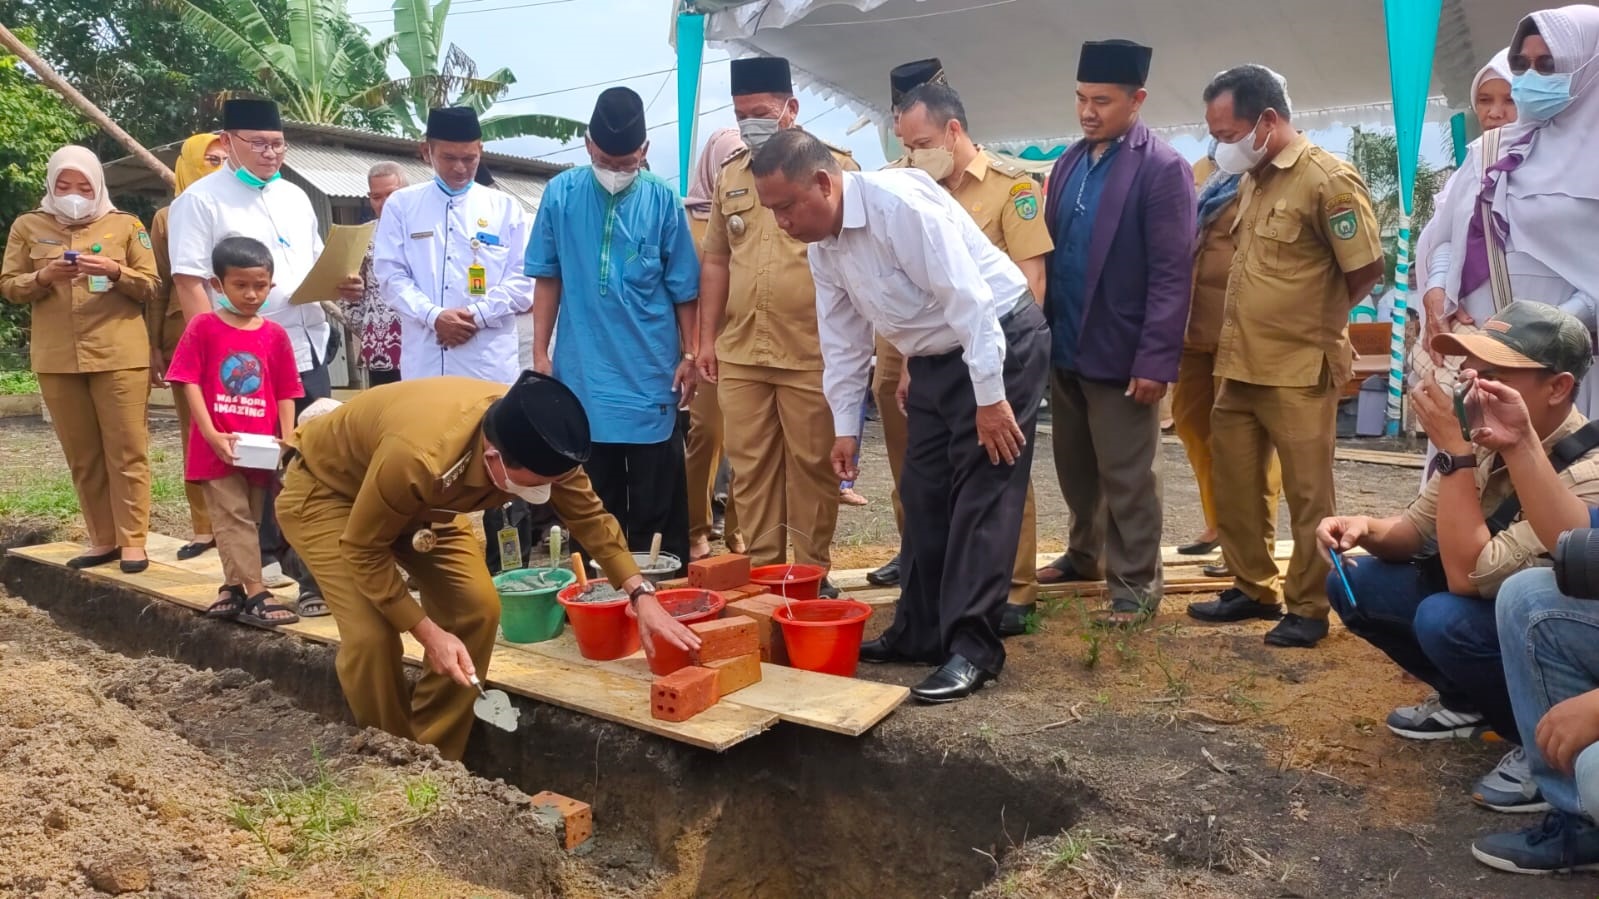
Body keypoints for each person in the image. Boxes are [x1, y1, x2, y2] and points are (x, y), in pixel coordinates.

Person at [751, 129, 1050, 703]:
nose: (781, 222)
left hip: (998, 340)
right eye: (772, 211)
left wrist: (991, 398)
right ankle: (920, 630)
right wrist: (845, 429)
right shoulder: (824, 248)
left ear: (823, 183)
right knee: (922, 491)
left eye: (786, 206)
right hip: (934, 357)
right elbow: (841, 342)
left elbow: (971, 301)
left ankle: (973, 649)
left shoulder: (900, 209)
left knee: (981, 494)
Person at [276, 370, 698, 760]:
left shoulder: (544, 443)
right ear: (493, 457)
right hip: (331, 493)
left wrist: (641, 594)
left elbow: (590, 518)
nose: (546, 492)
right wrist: (426, 631)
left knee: (477, 609)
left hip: (428, 506)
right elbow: (364, 550)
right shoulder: (424, 456)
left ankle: (434, 754)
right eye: (535, 484)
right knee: (372, 636)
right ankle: (393, 760)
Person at [1322, 302, 1599, 813]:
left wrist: (1454, 452)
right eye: (1469, 368)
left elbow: (1470, 577)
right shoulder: (1487, 433)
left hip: (1545, 628)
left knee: (1446, 617)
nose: (1470, 382)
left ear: (1558, 388)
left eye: (1492, 373)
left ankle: (1537, 740)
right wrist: (1362, 528)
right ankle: (1468, 704)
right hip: (1493, 606)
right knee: (1355, 579)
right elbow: (1412, 530)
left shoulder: (1588, 470)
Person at [1184, 65, 1384, 648]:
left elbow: (1365, 267)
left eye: (1228, 132)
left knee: (1306, 494)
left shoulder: (1328, 180)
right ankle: (1252, 586)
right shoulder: (1255, 179)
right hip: (1238, 362)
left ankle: (1309, 605)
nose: (1221, 144)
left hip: (1299, 367)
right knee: (1236, 482)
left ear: (1268, 120)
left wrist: (1316, 321)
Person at [169, 97, 362, 612]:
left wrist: (341, 283)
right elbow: (190, 282)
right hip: (242, 367)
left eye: (277, 144)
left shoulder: (297, 197)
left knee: (311, 459)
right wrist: (210, 353)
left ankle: (315, 574)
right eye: (258, 143)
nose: (270, 153)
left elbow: (314, 263)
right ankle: (259, 571)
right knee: (254, 472)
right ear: (227, 142)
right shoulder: (201, 201)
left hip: (306, 344)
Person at [1033, 40, 1197, 625]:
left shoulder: (1163, 169)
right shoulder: (1071, 161)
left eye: (1101, 100)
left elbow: (1173, 274)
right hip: (1068, 343)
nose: (1087, 111)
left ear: (1137, 99)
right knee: (1075, 468)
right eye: (1081, 98)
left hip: (1124, 353)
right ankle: (1085, 555)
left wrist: (1156, 360)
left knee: (1128, 478)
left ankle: (1134, 587)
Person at [887, 79, 1056, 632]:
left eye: (922, 142)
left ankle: (1015, 586)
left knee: (1001, 464)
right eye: (905, 145)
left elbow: (1031, 279)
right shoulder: (909, 187)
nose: (913, 155)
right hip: (939, 355)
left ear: (953, 131)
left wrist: (1003, 369)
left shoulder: (1012, 187)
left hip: (997, 346)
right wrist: (915, 363)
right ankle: (939, 587)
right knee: (931, 477)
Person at [698, 57, 856, 595]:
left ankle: (812, 573)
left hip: (811, 349)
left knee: (814, 465)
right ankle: (768, 575)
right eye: (741, 115)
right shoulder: (732, 174)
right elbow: (716, 259)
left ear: (791, 108)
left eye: (761, 112)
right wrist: (705, 339)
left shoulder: (834, 169)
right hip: (742, 349)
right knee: (751, 467)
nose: (750, 124)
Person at [528, 87, 700, 573]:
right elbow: (548, 275)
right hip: (581, 373)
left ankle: (665, 598)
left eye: (626, 163)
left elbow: (684, 287)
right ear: (587, 145)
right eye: (606, 160)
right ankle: (597, 600)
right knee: (592, 501)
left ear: (644, 153)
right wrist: (541, 354)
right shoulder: (560, 194)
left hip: (651, 373)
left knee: (656, 502)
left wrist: (690, 355)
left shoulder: (663, 201)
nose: (615, 170)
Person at [1423, 6, 1599, 420]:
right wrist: (1435, 293)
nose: (1532, 76)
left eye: (1549, 64)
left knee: (1554, 476)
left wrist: (1537, 335)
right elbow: (1448, 234)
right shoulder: (1489, 151)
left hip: (1560, 368)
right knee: (1469, 473)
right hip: (1478, 354)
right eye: (1522, 64)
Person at [1, 145, 160, 573]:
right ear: (51, 185)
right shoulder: (28, 226)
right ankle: (102, 538)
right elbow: (10, 286)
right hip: (57, 357)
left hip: (119, 353)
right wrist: (43, 275)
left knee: (127, 450)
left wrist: (114, 271)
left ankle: (133, 542)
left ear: (98, 185)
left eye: (84, 185)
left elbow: (150, 285)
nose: (74, 193)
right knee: (83, 453)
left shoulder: (126, 225)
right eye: (64, 185)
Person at [165, 237, 304, 627]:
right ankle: (258, 590)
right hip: (218, 444)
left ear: (271, 284)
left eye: (260, 285)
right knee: (233, 518)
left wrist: (287, 438)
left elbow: (286, 390)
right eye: (240, 285)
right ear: (217, 285)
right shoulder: (203, 327)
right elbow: (187, 380)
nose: (251, 294)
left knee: (252, 517)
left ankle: (233, 586)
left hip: (261, 446)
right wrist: (209, 433)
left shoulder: (274, 335)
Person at [1173, 142, 1284, 581]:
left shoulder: (1270, 172)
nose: (1220, 133)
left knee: (1247, 441)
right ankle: (1219, 523)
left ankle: (1252, 546)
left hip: (1242, 329)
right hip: (1191, 324)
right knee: (1192, 424)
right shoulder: (1205, 170)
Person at [866, 57, 951, 589]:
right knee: (907, 461)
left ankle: (998, 572)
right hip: (898, 341)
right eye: (900, 116)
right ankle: (913, 549)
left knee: (979, 461)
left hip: (958, 336)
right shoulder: (886, 183)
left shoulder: (981, 175)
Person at [1412, 49, 1517, 475]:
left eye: (1508, 99)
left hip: (1538, 337)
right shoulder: (1472, 164)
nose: (1495, 113)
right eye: (1485, 101)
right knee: (1466, 446)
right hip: (1474, 328)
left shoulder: (1573, 161)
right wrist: (1437, 296)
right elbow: (1446, 239)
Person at [376, 108, 532, 384]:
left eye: (469, 158)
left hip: (486, 363)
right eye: (449, 158)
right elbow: (391, 276)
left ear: (480, 151)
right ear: (427, 151)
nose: (460, 167)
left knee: (488, 426)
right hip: (426, 361)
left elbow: (523, 280)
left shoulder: (505, 208)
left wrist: (477, 316)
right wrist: (434, 316)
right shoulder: (402, 205)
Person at [147, 132, 227, 560]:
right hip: (186, 337)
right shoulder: (168, 217)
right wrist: (155, 345)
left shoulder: (241, 205)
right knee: (195, 430)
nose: (217, 166)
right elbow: (159, 287)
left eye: (223, 159)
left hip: (245, 333)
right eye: (209, 159)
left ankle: (250, 521)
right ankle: (203, 526)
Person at [683, 127, 747, 560]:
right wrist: (691, 347)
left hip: (748, 336)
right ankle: (696, 529)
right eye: (727, 158)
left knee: (748, 438)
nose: (733, 166)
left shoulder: (754, 205)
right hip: (704, 341)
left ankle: (740, 529)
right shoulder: (686, 218)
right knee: (705, 434)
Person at [344, 161, 407, 387]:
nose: (384, 203)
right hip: (381, 348)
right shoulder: (362, 236)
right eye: (376, 196)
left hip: (426, 342)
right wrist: (372, 328)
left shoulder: (428, 232)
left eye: (391, 194)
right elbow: (348, 298)